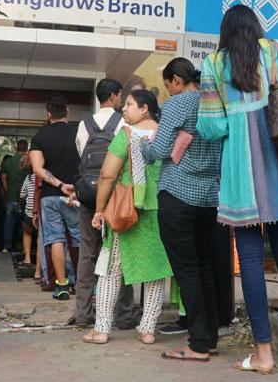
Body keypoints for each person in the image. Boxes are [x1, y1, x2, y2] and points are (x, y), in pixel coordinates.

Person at [197, 5, 278, 374]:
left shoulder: (214, 65)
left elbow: (211, 128)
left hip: (241, 177)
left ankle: (264, 355)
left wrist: (237, 115)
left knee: (249, 262)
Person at [140, 58, 222, 361]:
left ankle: (198, 344)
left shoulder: (178, 103)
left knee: (185, 270)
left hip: (178, 194)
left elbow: (159, 150)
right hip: (208, 198)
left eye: (167, 85)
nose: (168, 91)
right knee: (203, 268)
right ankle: (209, 337)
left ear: (176, 80)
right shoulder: (213, 102)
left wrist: (144, 148)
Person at [83, 90, 172, 345]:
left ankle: (101, 329)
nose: (124, 109)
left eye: (130, 105)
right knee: (155, 272)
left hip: (127, 211)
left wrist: (100, 209)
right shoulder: (165, 135)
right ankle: (147, 330)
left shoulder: (127, 134)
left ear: (144, 109)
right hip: (159, 209)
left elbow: (108, 175)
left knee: (112, 269)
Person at [72, 78, 137, 328]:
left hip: (88, 196)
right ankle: (124, 315)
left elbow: (81, 154)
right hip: (116, 198)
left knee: (87, 254)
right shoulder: (122, 123)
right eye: (120, 95)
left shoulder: (83, 124)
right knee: (121, 254)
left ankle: (83, 313)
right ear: (114, 95)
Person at [29, 94, 81, 300]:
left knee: (55, 240)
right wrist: (75, 188)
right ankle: (85, 284)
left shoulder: (40, 136)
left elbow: (37, 169)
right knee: (79, 240)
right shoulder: (79, 134)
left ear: (48, 113)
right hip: (76, 196)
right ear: (67, 111)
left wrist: (59, 185)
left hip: (51, 196)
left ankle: (61, 285)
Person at [0, 139, 28, 252]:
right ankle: (23, 246)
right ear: (26, 149)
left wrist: (8, 190)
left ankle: (7, 246)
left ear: (16, 148)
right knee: (25, 223)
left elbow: (3, 178)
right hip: (25, 198)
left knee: (9, 222)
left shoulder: (8, 162)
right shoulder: (28, 163)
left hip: (11, 196)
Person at [18, 154, 37, 270]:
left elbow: (22, 194)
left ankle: (28, 258)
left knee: (27, 232)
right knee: (41, 237)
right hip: (41, 210)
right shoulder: (45, 176)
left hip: (30, 210)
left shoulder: (29, 177)